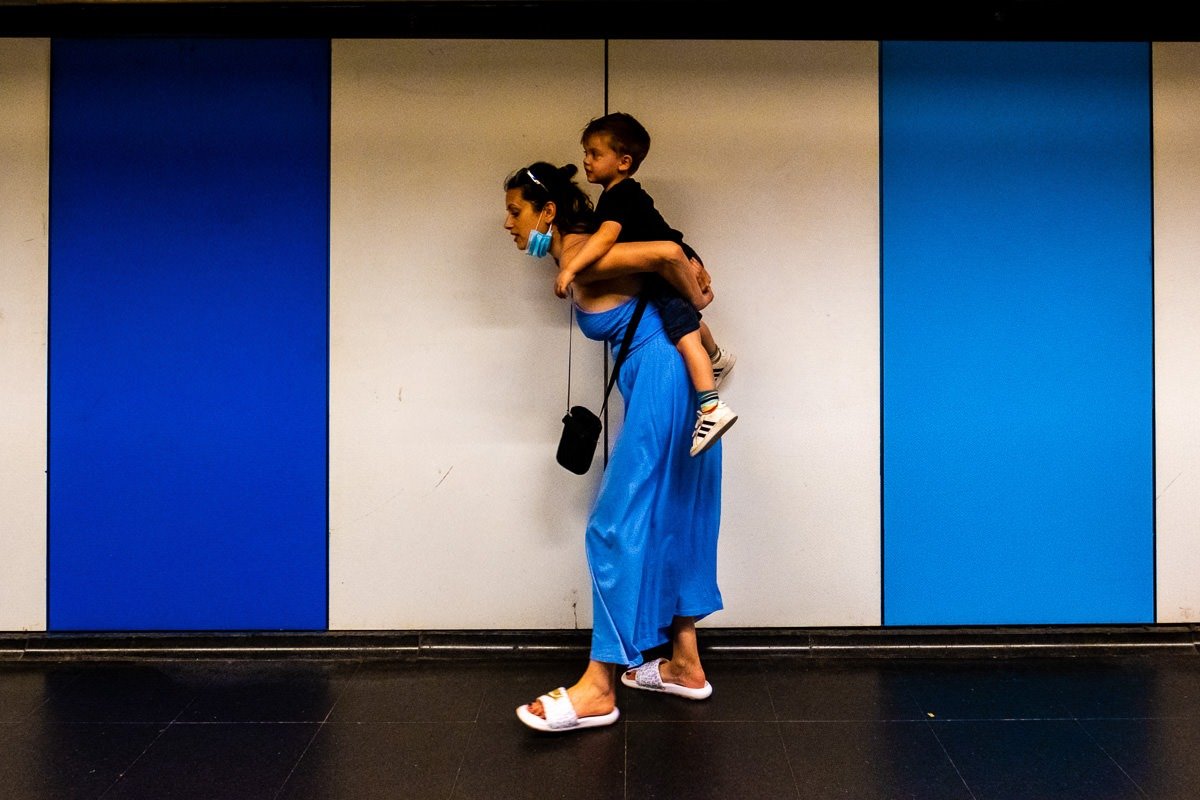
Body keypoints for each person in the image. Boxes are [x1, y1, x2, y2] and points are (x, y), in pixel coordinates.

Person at [503, 161, 723, 733]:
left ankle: (599, 687)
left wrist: (696, 283)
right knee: (673, 515)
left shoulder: (585, 250)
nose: (508, 224)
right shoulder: (573, 255)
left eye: (515, 211)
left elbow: (668, 258)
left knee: (613, 523)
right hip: (669, 380)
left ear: (547, 211)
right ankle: (684, 664)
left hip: (665, 381)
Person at [554, 111, 737, 457]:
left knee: (684, 336)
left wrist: (570, 270)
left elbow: (604, 240)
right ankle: (717, 358)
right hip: (675, 259)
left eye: (595, 153)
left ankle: (711, 408)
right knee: (689, 323)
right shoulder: (621, 194)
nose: (586, 160)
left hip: (667, 271)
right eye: (586, 152)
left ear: (624, 162)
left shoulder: (619, 196)